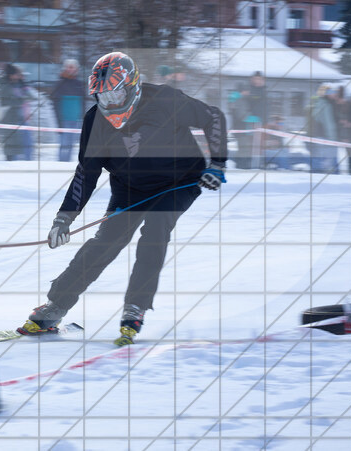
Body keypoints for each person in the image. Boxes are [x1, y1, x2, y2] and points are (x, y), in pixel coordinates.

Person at [22, 52, 227, 346]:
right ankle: (56, 306)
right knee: (105, 242)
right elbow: (86, 174)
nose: (110, 103)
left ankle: (136, 307)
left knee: (155, 231)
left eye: (116, 94)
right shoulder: (95, 121)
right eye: (102, 97)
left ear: (132, 86)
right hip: (129, 187)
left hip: (178, 182)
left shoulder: (165, 100)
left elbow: (213, 117)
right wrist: (64, 218)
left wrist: (217, 164)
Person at [50, 58, 86, 162]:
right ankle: (61, 165)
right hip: (64, 120)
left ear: (77, 69)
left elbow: (83, 102)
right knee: (64, 145)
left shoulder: (79, 84)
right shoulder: (59, 83)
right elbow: (55, 104)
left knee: (71, 145)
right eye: (69, 67)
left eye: (73, 67)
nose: (71, 70)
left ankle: (67, 165)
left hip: (76, 120)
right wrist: (59, 122)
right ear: (65, 68)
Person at [0, 63, 33, 161]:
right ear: (11, 74)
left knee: (26, 142)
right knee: (11, 142)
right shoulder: (6, 84)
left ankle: (26, 161)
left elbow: (31, 97)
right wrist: (20, 101)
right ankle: (11, 161)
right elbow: (5, 101)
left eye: (20, 74)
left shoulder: (22, 85)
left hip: (22, 117)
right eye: (18, 74)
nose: (19, 76)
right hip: (9, 117)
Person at [307, 85, 338, 174]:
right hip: (325, 136)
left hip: (317, 135)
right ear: (326, 94)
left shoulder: (317, 103)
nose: (334, 94)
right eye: (331, 92)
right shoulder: (326, 105)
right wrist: (332, 138)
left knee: (318, 160)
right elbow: (329, 123)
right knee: (327, 162)